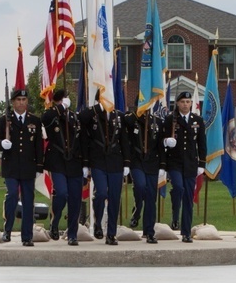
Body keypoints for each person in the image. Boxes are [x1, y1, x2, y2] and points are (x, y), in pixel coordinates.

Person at [0, 88, 44, 246]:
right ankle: (7, 229)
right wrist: (2, 144)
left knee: (29, 201)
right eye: (18, 100)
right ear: (13, 102)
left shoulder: (34, 121)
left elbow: (38, 145)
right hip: (11, 166)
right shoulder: (5, 120)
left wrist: (39, 167)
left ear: (27, 101)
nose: (21, 102)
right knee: (13, 195)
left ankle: (27, 236)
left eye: (24, 100)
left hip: (28, 166)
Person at [79, 92, 131, 245]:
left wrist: (127, 163)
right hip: (98, 160)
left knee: (115, 198)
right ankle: (98, 221)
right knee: (101, 193)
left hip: (116, 161)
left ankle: (111, 234)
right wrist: (98, 107)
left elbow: (124, 140)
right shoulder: (93, 115)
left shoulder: (119, 116)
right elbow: (81, 118)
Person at [41, 89, 84, 245]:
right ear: (57, 101)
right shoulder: (51, 114)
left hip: (74, 161)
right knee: (62, 193)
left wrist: (85, 164)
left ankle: (72, 234)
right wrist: (60, 108)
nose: (65, 103)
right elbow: (45, 119)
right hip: (58, 161)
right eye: (62, 100)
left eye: (66, 100)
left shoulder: (74, 117)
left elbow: (80, 140)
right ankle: (55, 220)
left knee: (75, 199)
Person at [161, 91, 206, 242]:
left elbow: (202, 143)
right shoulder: (170, 120)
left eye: (188, 102)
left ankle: (186, 232)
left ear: (191, 103)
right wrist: (167, 141)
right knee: (178, 188)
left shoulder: (197, 120)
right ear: (178, 103)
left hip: (191, 164)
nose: (185, 104)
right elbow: (161, 140)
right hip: (174, 162)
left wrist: (202, 163)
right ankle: (175, 215)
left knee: (188, 197)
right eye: (183, 102)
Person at [124, 106, 165, 243]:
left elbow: (160, 144)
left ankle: (149, 231)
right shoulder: (131, 119)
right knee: (140, 186)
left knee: (151, 197)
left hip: (152, 162)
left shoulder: (157, 122)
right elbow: (125, 122)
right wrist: (136, 114)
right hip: (136, 161)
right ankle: (137, 210)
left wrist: (162, 165)